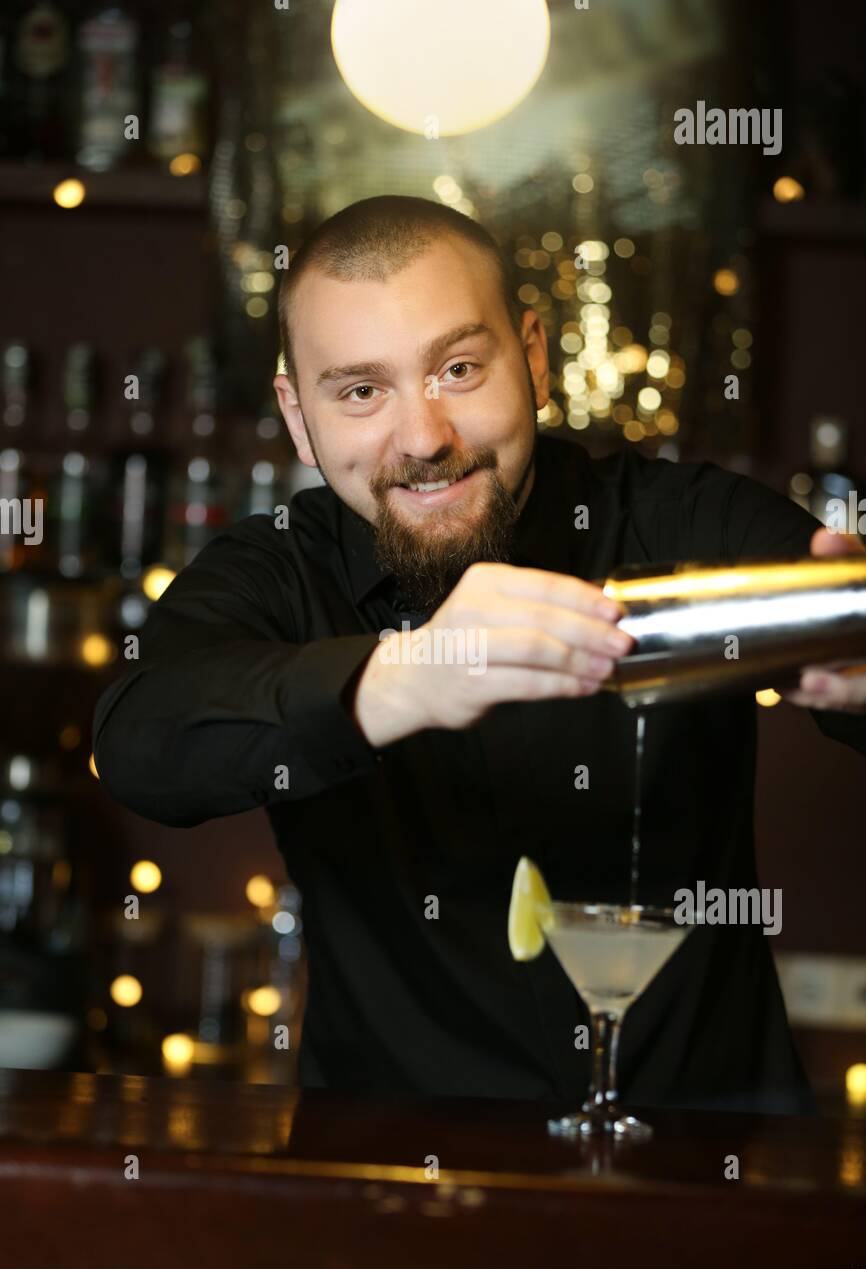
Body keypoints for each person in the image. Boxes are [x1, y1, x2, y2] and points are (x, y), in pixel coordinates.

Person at [93, 195, 866, 1115]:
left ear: (534, 356)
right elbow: (140, 738)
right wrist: (401, 679)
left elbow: (840, 621)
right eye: (361, 392)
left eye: (458, 368)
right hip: (390, 1195)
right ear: (299, 419)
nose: (423, 438)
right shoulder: (275, 573)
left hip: (705, 1179)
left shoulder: (685, 520)